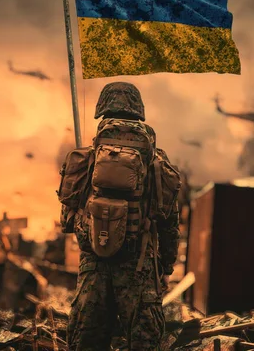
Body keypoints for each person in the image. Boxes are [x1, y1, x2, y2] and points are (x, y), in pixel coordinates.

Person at [57, 82, 181, 350]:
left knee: (86, 342)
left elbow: (66, 219)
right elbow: (169, 223)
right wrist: (166, 268)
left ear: (102, 110)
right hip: (138, 266)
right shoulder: (156, 162)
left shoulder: (88, 158)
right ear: (139, 111)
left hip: (94, 266)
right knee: (144, 342)